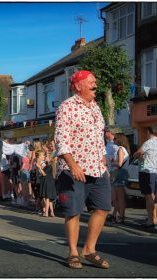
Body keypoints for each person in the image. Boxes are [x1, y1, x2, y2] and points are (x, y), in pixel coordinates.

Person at [55, 70, 111, 269]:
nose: (96, 85)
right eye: (91, 82)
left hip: (97, 167)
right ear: (78, 86)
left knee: (103, 207)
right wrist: (72, 165)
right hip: (74, 168)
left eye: (95, 82)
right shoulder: (67, 107)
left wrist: (104, 163)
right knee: (74, 211)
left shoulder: (96, 107)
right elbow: (61, 139)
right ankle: (73, 252)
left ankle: (89, 249)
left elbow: (99, 139)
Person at [133, 126, 157, 228]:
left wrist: (136, 155)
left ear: (149, 132)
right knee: (154, 196)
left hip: (146, 171)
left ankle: (150, 220)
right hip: (155, 171)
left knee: (149, 196)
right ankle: (154, 218)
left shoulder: (148, 142)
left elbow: (138, 153)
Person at [109, 133, 130, 224]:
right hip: (121, 174)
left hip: (119, 174)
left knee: (118, 198)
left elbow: (120, 163)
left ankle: (121, 216)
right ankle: (117, 215)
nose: (114, 140)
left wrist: (112, 163)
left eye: (115, 138)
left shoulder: (120, 149)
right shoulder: (124, 149)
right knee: (117, 197)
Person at [36, 150, 56, 217]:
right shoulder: (46, 164)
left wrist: (39, 167)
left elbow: (44, 174)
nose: (45, 158)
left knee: (47, 198)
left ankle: (46, 212)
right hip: (46, 181)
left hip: (48, 182)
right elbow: (41, 173)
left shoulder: (49, 165)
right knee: (48, 199)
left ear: (50, 158)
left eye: (46, 157)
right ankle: (52, 212)